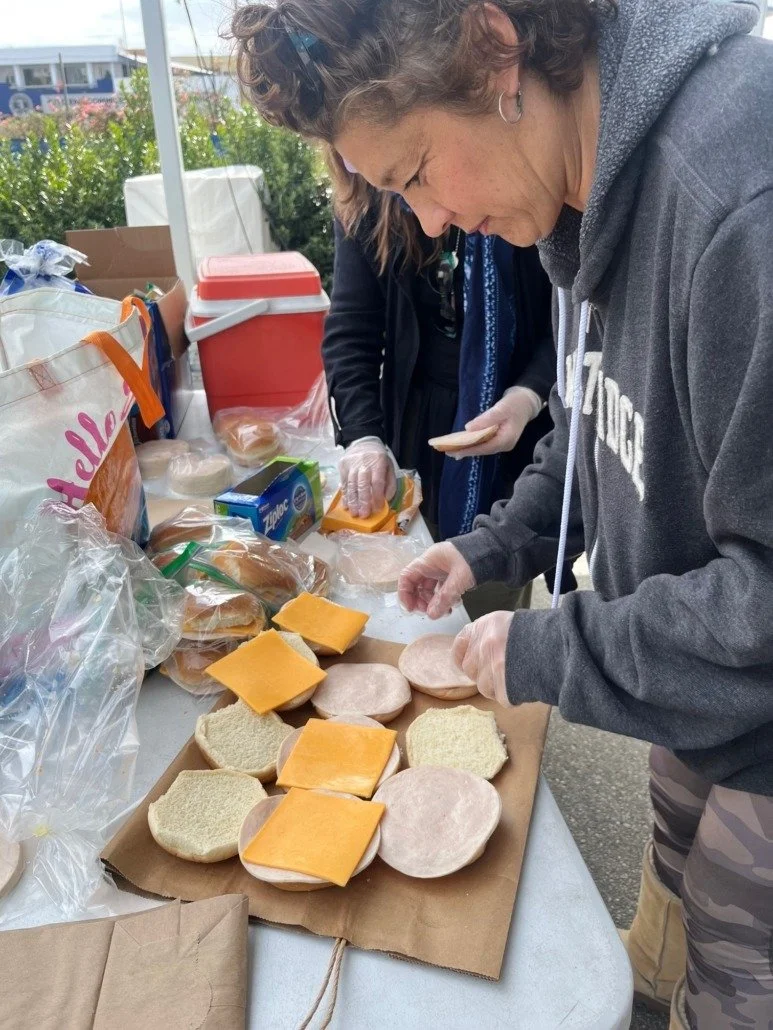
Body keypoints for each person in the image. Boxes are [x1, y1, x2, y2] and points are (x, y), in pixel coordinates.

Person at [231, 0, 773, 1026]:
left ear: (492, 47)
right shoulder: (581, 192)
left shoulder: (739, 197)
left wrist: (552, 647)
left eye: (418, 172)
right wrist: (489, 544)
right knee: (665, 896)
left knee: (735, 957)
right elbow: (601, 431)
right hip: (695, 696)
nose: (430, 222)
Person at [321, 168, 575, 614]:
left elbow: (570, 314)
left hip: (520, 434)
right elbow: (351, 328)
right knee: (417, 594)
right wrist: (363, 435)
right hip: (418, 427)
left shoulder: (520, 181)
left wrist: (528, 394)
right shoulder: (360, 189)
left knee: (494, 590)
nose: (434, 224)